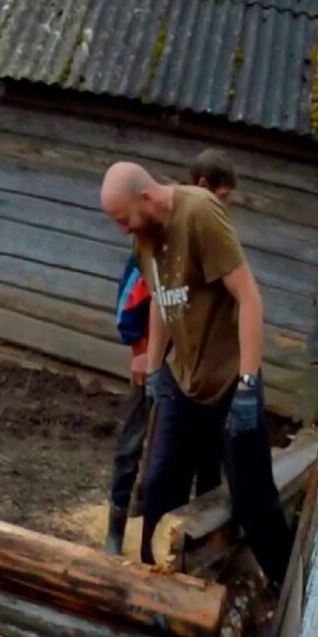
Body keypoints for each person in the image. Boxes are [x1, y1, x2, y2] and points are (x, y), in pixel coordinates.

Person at [99, 160, 293, 587]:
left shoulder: (199, 213)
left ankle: (288, 587)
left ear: (146, 198)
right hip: (181, 382)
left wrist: (248, 384)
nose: (122, 229)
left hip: (228, 383)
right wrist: (154, 369)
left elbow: (249, 298)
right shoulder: (144, 238)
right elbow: (159, 300)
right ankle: (155, 593)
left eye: (123, 219)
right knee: (158, 488)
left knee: (252, 498)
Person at [104, 149, 237, 555]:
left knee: (201, 456)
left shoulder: (202, 226)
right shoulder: (152, 230)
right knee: (135, 442)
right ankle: (117, 525)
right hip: (154, 360)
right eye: (222, 196)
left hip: (192, 370)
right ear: (203, 186)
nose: (224, 205)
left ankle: (194, 537)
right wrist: (140, 350)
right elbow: (132, 298)